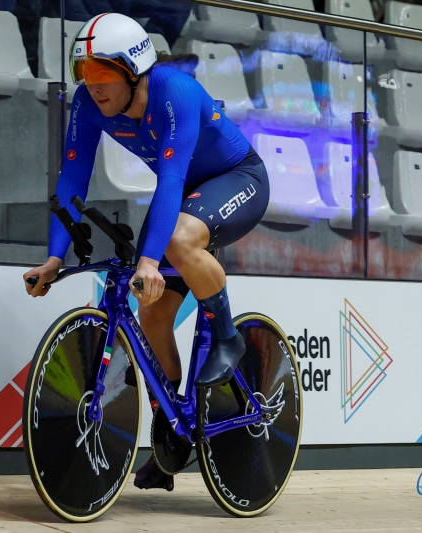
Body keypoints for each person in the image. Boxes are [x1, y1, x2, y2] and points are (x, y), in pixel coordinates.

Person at [23, 12, 270, 492]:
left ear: (134, 70)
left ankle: (225, 339)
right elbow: (72, 179)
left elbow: (172, 181)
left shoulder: (174, 92)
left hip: (239, 180)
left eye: (101, 74)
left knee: (175, 241)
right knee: (152, 313)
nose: (90, 86)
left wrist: (151, 260)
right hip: (187, 196)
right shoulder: (89, 106)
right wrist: (54, 257)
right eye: (82, 74)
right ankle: (172, 432)